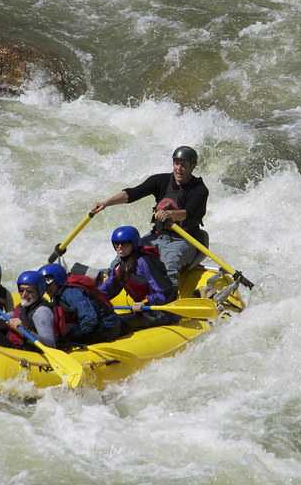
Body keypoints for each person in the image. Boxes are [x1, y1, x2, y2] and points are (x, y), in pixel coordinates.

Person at [90, 145, 208, 285]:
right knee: (126, 254)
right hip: (158, 235)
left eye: (184, 165)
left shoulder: (200, 190)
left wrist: (170, 214)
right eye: (176, 163)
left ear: (193, 166)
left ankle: (168, 295)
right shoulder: (160, 180)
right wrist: (106, 203)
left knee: (168, 263)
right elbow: (133, 193)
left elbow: (187, 213)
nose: (179, 168)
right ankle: (109, 284)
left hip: (185, 240)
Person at [98, 225, 178, 328]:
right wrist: (93, 297)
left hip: (161, 312)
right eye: (116, 244)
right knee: (108, 322)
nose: (120, 247)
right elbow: (108, 289)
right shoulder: (120, 267)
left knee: (116, 325)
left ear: (133, 244)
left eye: (124, 243)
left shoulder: (145, 262)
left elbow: (164, 293)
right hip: (144, 311)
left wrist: (145, 302)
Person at [39, 263, 122, 345]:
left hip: (107, 327)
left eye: (48, 285)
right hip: (98, 325)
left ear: (58, 280)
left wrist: (76, 336)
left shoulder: (71, 293)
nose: (46, 289)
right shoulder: (58, 293)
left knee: (67, 336)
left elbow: (89, 318)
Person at [6, 270, 58, 349]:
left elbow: (50, 344)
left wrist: (24, 330)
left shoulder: (41, 312)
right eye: (21, 290)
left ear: (39, 291)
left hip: (32, 352)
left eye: (29, 291)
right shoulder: (25, 305)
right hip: (19, 346)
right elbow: (5, 316)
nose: (24, 295)